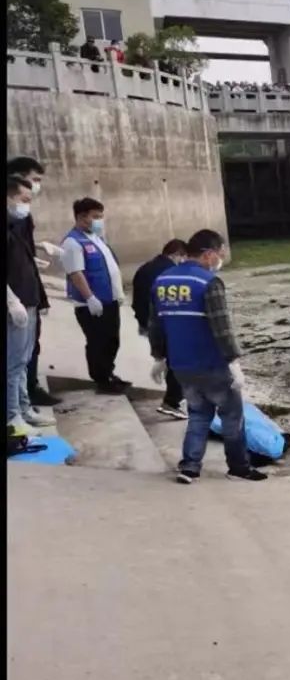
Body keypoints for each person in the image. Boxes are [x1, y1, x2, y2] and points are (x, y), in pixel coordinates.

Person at [149, 229, 266, 484]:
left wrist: (158, 357)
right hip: (212, 363)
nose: (220, 260)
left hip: (181, 364)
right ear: (208, 254)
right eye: (220, 254)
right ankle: (239, 468)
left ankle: (190, 466)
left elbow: (156, 324)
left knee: (198, 414)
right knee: (232, 417)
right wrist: (234, 362)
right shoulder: (208, 283)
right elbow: (222, 327)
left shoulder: (162, 281)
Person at [60, 197, 130, 394]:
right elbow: (76, 273)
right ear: (82, 217)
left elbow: (109, 267)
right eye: (96, 217)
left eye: (101, 216)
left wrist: (118, 292)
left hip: (109, 300)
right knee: (98, 342)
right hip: (92, 303)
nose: (100, 221)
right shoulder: (72, 242)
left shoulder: (96, 238)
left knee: (112, 340)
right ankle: (101, 379)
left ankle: (109, 372)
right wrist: (89, 297)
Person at [7, 157, 61, 406]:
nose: (37, 186)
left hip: (28, 292)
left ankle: (25, 403)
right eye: (35, 179)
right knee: (16, 360)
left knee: (26, 353)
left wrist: (35, 253)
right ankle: (16, 411)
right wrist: (12, 299)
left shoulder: (21, 216)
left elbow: (20, 250)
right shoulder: (14, 215)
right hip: (17, 295)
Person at [7, 177, 51, 436]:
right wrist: (12, 300)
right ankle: (12, 417)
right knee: (13, 364)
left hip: (29, 299)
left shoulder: (17, 225)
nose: (27, 206)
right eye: (23, 200)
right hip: (17, 304)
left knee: (22, 361)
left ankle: (23, 409)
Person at [132, 238, 188, 419]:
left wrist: (142, 323)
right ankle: (172, 401)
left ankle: (174, 396)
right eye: (184, 258)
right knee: (180, 361)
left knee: (170, 359)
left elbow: (137, 299)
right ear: (178, 255)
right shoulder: (169, 273)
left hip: (148, 320)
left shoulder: (145, 268)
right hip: (162, 322)